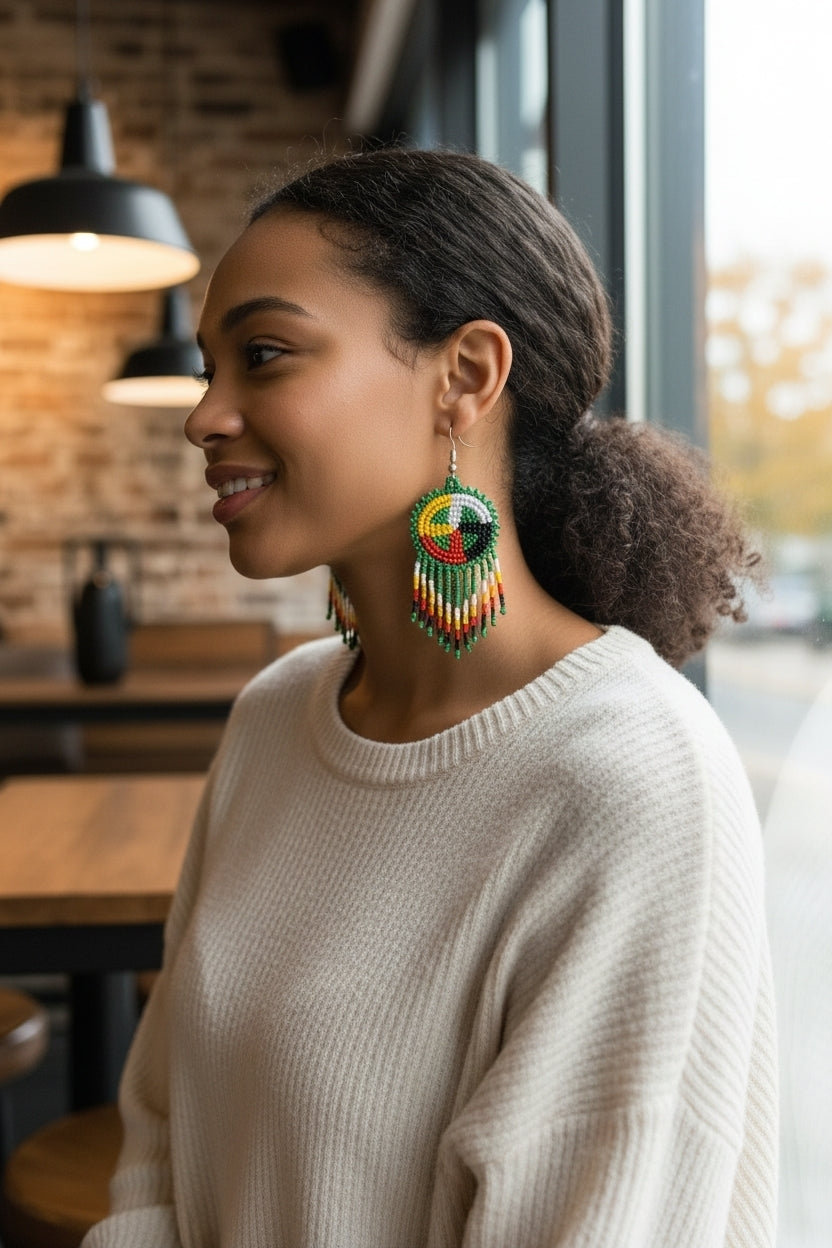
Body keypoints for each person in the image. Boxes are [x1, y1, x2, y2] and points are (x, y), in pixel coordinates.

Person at [83, 148, 778, 1248]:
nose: (204, 416)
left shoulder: (630, 779)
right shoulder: (276, 717)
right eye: (212, 367)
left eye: (263, 356)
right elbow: (160, 1142)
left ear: (464, 376)